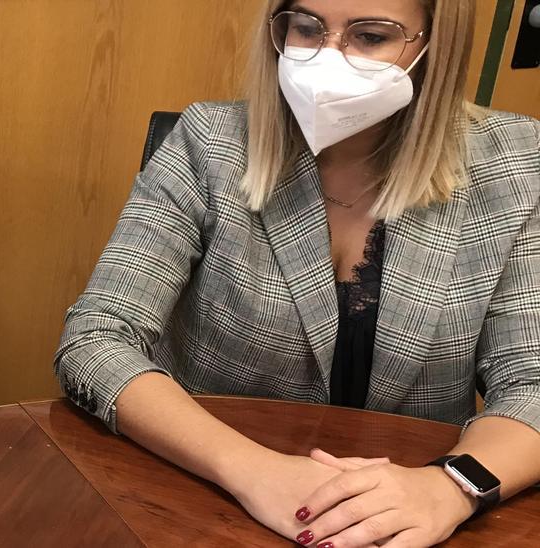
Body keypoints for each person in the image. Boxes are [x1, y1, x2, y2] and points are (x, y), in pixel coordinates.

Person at [55, 0, 540, 546]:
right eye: (307, 27)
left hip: (417, 507)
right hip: (210, 498)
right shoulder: (210, 142)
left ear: (434, 44)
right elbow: (95, 340)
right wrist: (252, 470)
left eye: (371, 36)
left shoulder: (518, 163)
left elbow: (532, 384)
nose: (327, 58)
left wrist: (451, 485)